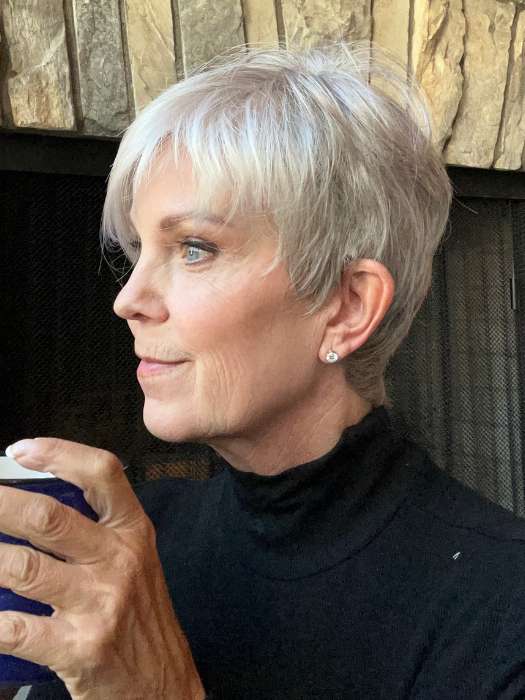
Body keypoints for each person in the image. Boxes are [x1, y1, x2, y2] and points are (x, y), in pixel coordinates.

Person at [2, 41, 523, 698]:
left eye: (194, 248)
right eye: (137, 251)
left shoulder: (500, 613)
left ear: (346, 307)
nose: (127, 299)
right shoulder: (133, 540)